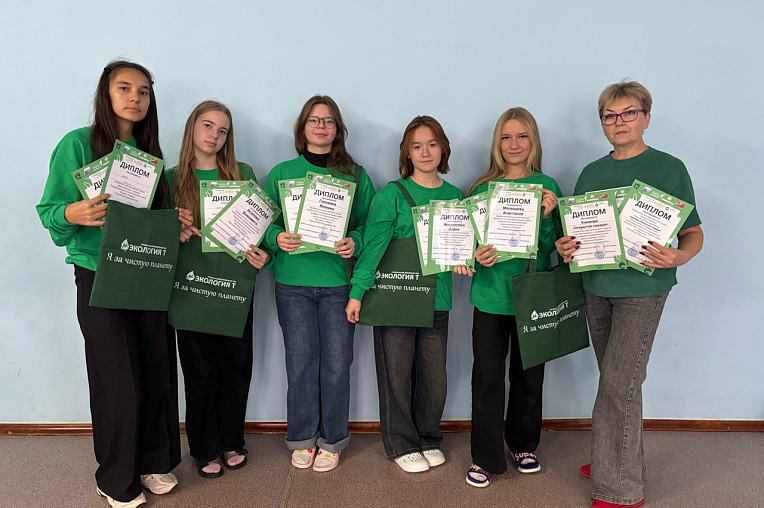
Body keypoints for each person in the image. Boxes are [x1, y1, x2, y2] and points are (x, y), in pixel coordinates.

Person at [37, 60, 186, 508]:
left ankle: (154, 461)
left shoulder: (149, 154)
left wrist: (173, 224)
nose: (135, 98)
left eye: (143, 91)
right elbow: (50, 211)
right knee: (117, 376)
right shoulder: (77, 144)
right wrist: (73, 212)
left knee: (156, 368)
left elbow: (147, 221)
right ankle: (116, 478)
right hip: (99, 273)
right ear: (105, 93)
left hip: (146, 271)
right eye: (125, 88)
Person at [556, 80, 703, 508]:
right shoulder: (591, 173)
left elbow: (693, 233)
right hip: (595, 286)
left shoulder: (669, 168)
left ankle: (619, 490)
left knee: (618, 385)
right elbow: (577, 234)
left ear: (646, 118)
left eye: (629, 113)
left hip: (644, 288)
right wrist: (566, 247)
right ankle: (617, 457)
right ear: (602, 122)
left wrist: (679, 256)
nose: (619, 121)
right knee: (619, 381)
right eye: (610, 115)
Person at [345, 116, 466, 473]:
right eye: (417, 146)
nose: (425, 152)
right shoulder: (391, 195)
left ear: (443, 149)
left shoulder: (455, 197)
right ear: (407, 153)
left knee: (434, 379)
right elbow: (373, 248)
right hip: (394, 300)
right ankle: (401, 443)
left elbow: (462, 247)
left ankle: (427, 436)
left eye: (432, 144)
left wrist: (466, 259)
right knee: (395, 376)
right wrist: (357, 293)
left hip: (437, 300)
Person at [262, 95, 376, 472]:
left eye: (328, 121)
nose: (321, 126)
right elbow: (263, 222)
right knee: (300, 365)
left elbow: (368, 225)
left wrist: (355, 241)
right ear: (302, 128)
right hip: (292, 284)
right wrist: (276, 237)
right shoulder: (281, 173)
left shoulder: (356, 175)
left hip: (338, 285)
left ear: (338, 129)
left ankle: (333, 438)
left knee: (337, 366)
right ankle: (301, 437)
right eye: (314, 120)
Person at [166, 100, 271, 479]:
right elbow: (156, 234)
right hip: (190, 287)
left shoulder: (243, 175)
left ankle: (231, 440)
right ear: (192, 128)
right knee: (199, 372)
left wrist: (265, 254)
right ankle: (204, 447)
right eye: (208, 125)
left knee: (236, 367)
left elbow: (262, 229)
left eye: (222, 130)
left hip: (235, 288)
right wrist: (174, 228)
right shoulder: (171, 179)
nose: (214, 135)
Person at [464, 107, 562, 488]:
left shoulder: (547, 186)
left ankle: (523, 444)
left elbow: (553, 248)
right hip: (490, 298)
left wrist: (549, 217)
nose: (514, 144)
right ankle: (485, 457)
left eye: (522, 136)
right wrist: (476, 254)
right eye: (506, 137)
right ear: (497, 143)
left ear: (533, 141)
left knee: (529, 377)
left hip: (532, 296)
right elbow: (466, 246)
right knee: (487, 379)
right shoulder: (481, 189)